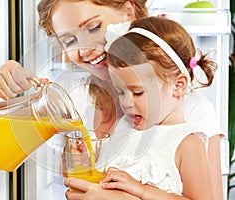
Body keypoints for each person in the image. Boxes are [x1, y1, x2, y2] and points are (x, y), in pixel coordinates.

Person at [0, 0, 224, 199]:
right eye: (69, 41)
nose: (84, 49)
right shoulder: (74, 99)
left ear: (129, 11)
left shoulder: (192, 112)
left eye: (94, 27)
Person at [65, 16, 215, 199]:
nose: (127, 103)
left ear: (178, 85)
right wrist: (85, 164)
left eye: (138, 93)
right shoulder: (121, 128)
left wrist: (143, 191)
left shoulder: (187, 143)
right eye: (120, 92)